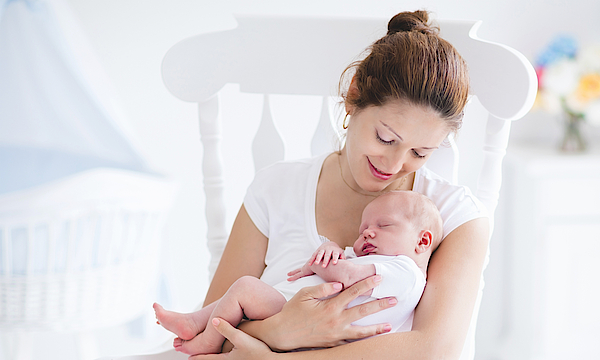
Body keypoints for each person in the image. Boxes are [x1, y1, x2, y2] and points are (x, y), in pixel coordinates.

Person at [191, 9, 490, 360]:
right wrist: (283, 330)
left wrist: (277, 353)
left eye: (420, 153)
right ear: (353, 96)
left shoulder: (456, 217)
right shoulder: (277, 188)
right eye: (385, 138)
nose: (393, 166)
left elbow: (433, 349)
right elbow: (210, 336)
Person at [154, 191, 443, 355]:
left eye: (384, 225)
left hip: (298, 313)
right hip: (295, 315)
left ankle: (206, 340)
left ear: (422, 241)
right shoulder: (374, 259)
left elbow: (347, 276)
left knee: (244, 288)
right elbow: (342, 265)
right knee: (241, 295)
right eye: (363, 228)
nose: (368, 231)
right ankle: (195, 322)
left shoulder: (405, 272)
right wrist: (330, 248)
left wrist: (322, 261)